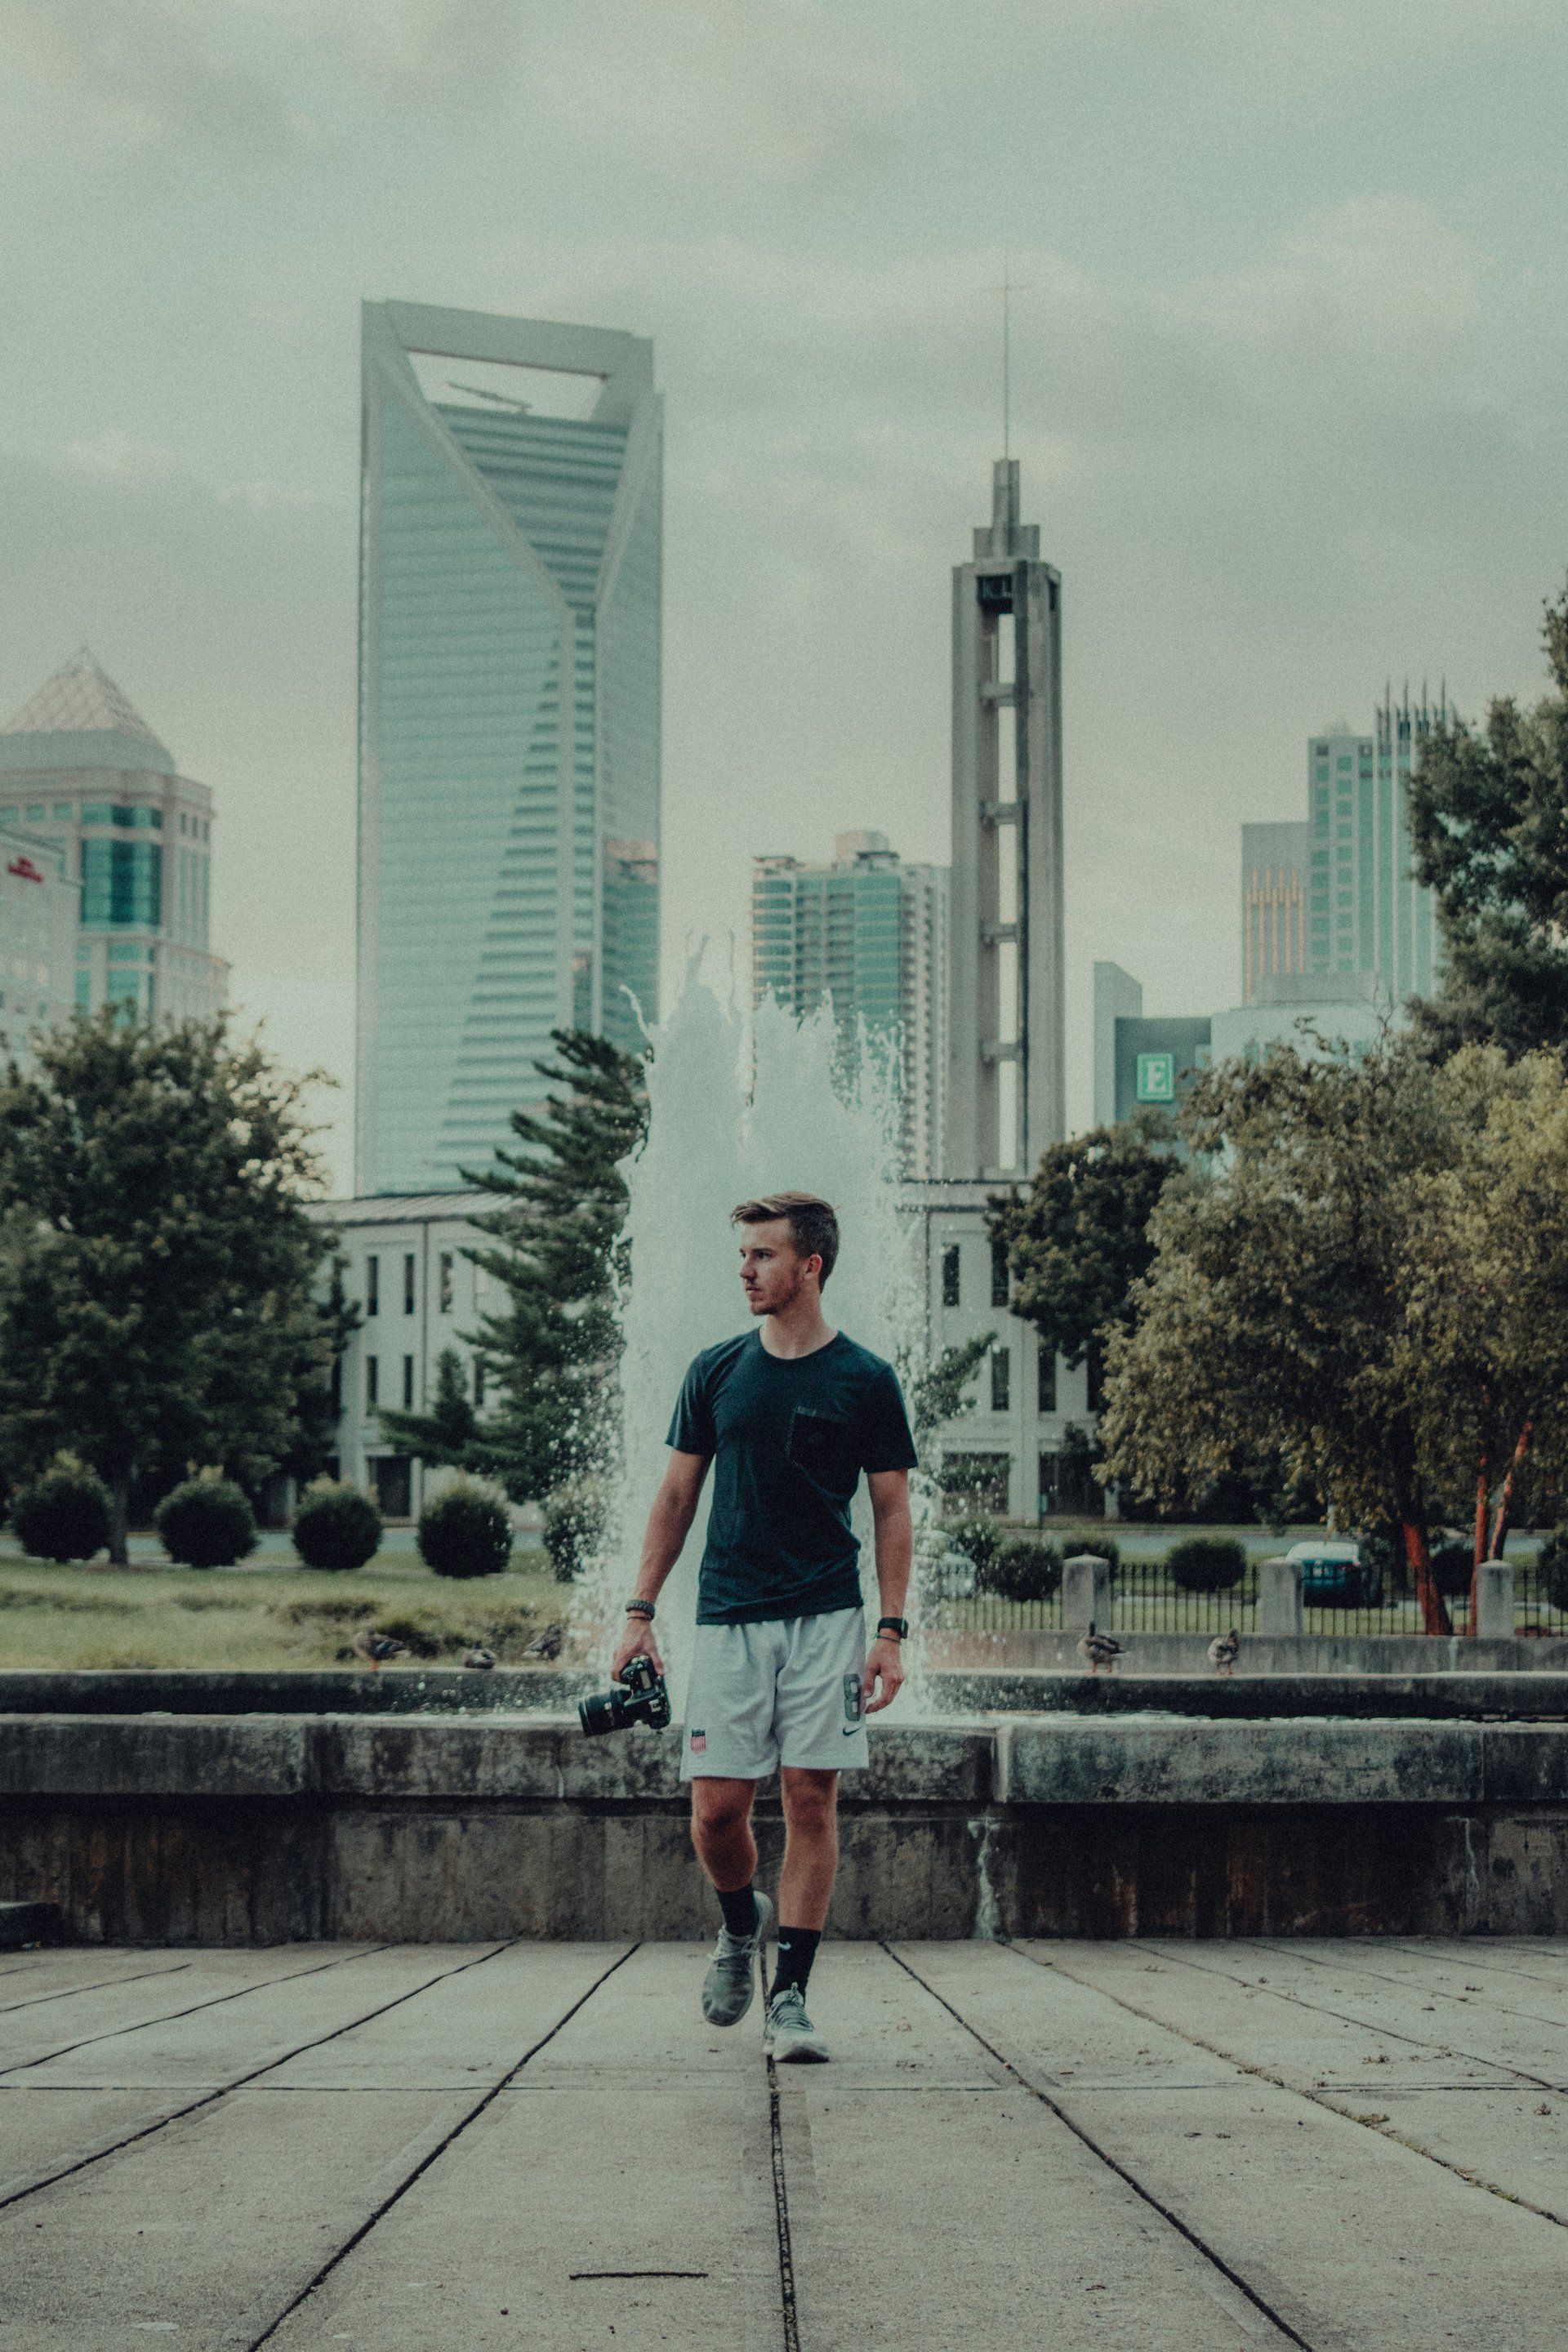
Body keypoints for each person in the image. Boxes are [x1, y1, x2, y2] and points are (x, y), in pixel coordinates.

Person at [611, 1190, 915, 2063]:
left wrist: (890, 1630)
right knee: (715, 1813)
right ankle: (741, 1925)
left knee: (810, 1800)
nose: (744, 1271)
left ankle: (791, 1998)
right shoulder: (715, 1371)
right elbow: (676, 1497)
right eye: (742, 1256)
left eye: (762, 1256)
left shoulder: (865, 1379)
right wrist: (639, 1612)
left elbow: (891, 1510)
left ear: (810, 1266)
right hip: (730, 1617)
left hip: (826, 1616)